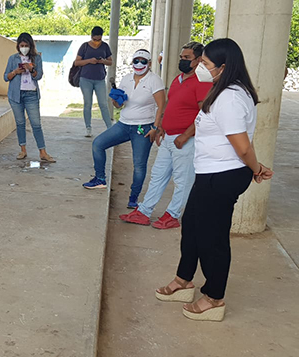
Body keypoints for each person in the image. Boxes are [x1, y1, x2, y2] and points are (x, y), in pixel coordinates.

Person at [156, 38, 274, 322]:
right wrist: (255, 166)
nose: (199, 66)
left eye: (205, 64)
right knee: (193, 226)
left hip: (223, 176)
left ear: (223, 67)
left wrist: (255, 168)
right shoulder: (223, 91)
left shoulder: (230, 98)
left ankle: (214, 297)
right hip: (211, 172)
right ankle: (184, 279)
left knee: (213, 238)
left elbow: (242, 146)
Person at [120, 42, 212, 229]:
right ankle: (144, 211)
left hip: (185, 140)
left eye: (186, 58)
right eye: (181, 57)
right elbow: (170, 105)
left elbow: (204, 114)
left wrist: (186, 135)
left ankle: (173, 215)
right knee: (158, 175)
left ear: (198, 60)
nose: (182, 61)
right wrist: (161, 126)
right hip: (169, 136)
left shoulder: (202, 83)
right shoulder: (178, 79)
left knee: (182, 180)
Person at [83, 49, 166, 209]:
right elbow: (120, 104)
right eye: (136, 60)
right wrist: (116, 100)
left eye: (143, 61)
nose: (139, 64)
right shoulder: (127, 79)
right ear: (132, 62)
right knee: (98, 144)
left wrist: (156, 127)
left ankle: (133, 199)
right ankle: (100, 179)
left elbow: (162, 105)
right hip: (123, 124)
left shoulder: (154, 80)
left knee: (139, 165)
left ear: (149, 63)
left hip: (143, 127)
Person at [4, 33, 55, 163]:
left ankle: (42, 152)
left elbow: (39, 76)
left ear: (30, 46)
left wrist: (32, 70)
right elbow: (6, 77)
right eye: (22, 46)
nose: (24, 48)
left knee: (36, 124)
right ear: (18, 46)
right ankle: (23, 149)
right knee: (20, 123)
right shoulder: (13, 58)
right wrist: (15, 72)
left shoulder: (36, 58)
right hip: (16, 95)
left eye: (26, 46)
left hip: (31, 94)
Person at [74, 26, 114, 137]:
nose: (96, 42)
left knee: (103, 104)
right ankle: (88, 127)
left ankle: (109, 127)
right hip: (85, 79)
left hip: (100, 79)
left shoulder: (105, 46)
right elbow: (77, 62)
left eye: (99, 40)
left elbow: (110, 62)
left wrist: (103, 61)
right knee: (88, 103)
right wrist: (89, 61)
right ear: (91, 37)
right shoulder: (85, 46)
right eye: (95, 40)